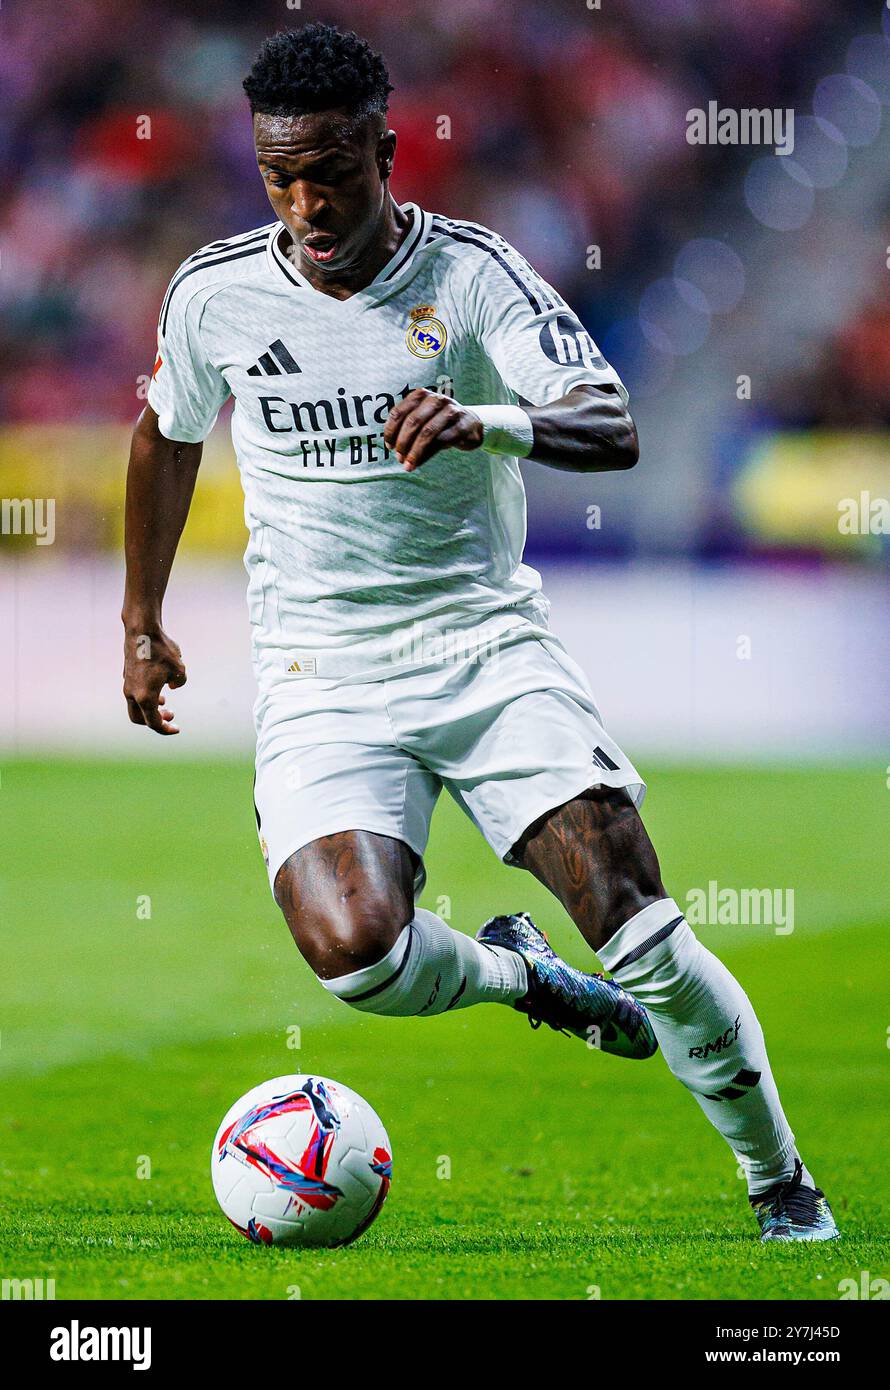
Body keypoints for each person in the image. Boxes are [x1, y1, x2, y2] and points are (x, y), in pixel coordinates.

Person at [122, 22, 838, 1243]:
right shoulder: (217, 294)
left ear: (387, 150)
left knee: (639, 924)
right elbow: (165, 433)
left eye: (331, 172)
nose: (306, 202)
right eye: (279, 176)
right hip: (320, 668)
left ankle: (780, 1182)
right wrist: (141, 617)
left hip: (482, 646)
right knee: (353, 953)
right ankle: (521, 977)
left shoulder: (470, 276)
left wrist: (481, 420)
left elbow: (607, 422)